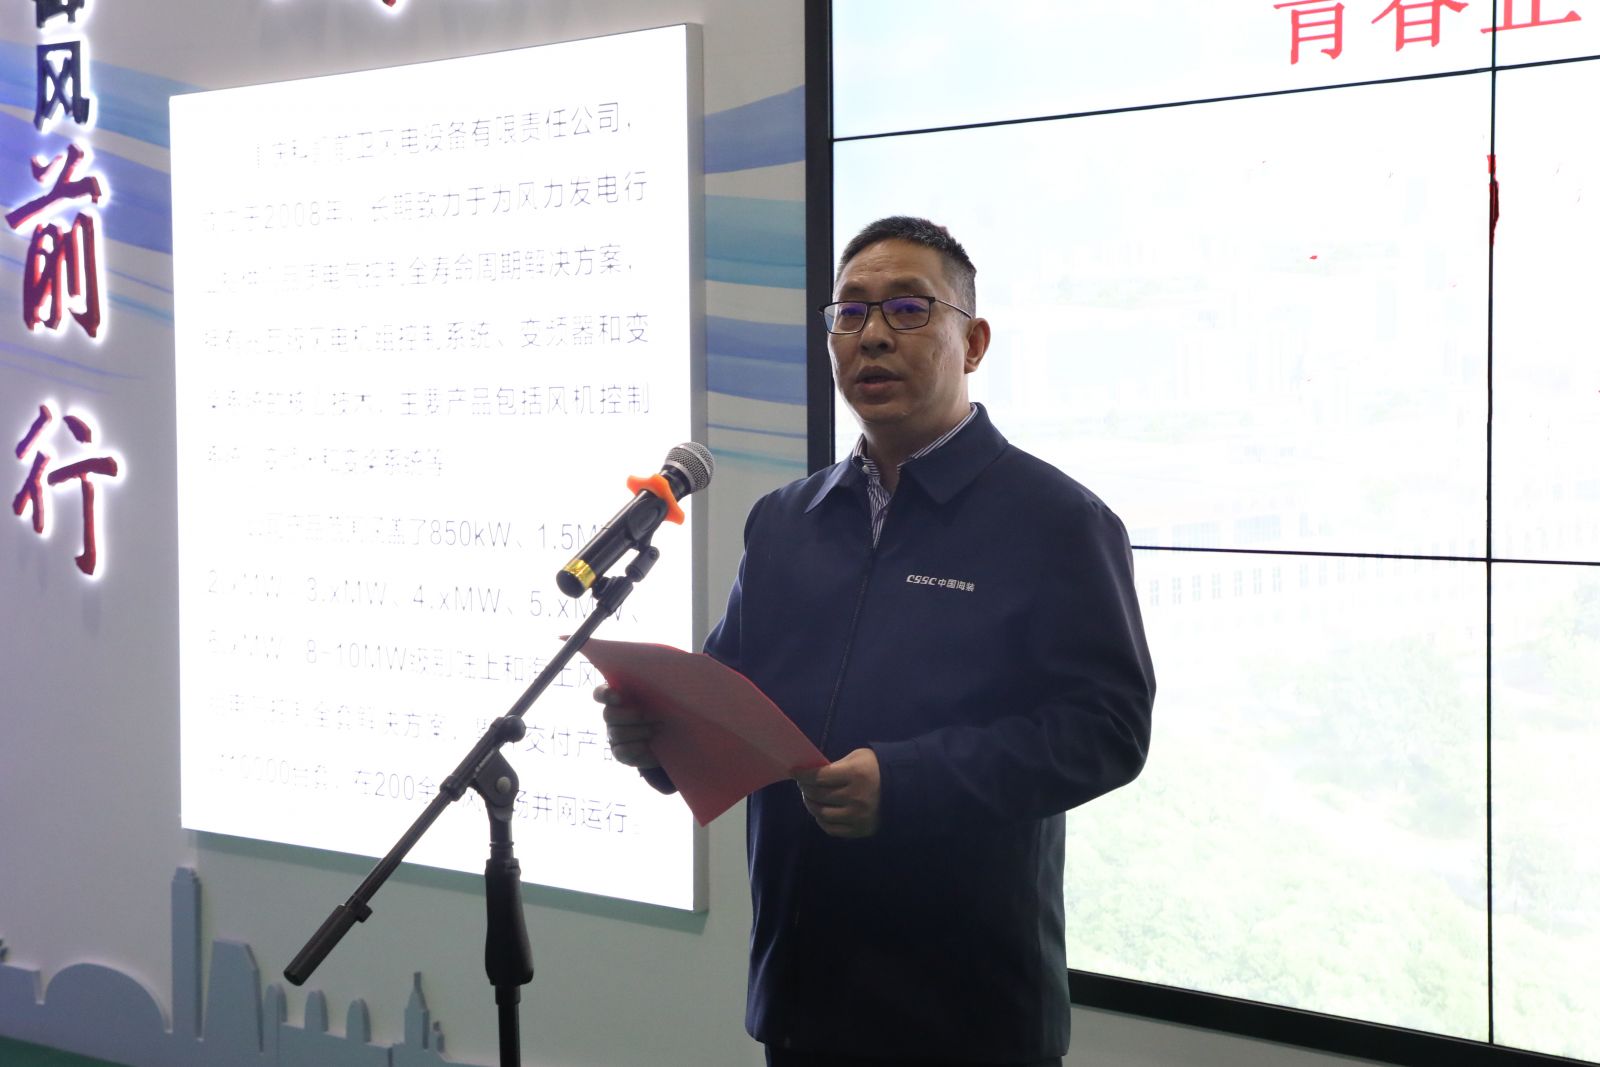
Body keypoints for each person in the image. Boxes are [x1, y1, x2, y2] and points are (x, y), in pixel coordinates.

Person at [601, 216, 1155, 1067]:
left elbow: (1106, 731)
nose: (872, 336)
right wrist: (656, 735)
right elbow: (731, 699)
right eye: (850, 312)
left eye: (906, 309)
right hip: (803, 997)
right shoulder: (786, 521)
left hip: (967, 1018)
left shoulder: (1056, 521)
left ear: (973, 342)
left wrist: (907, 781)